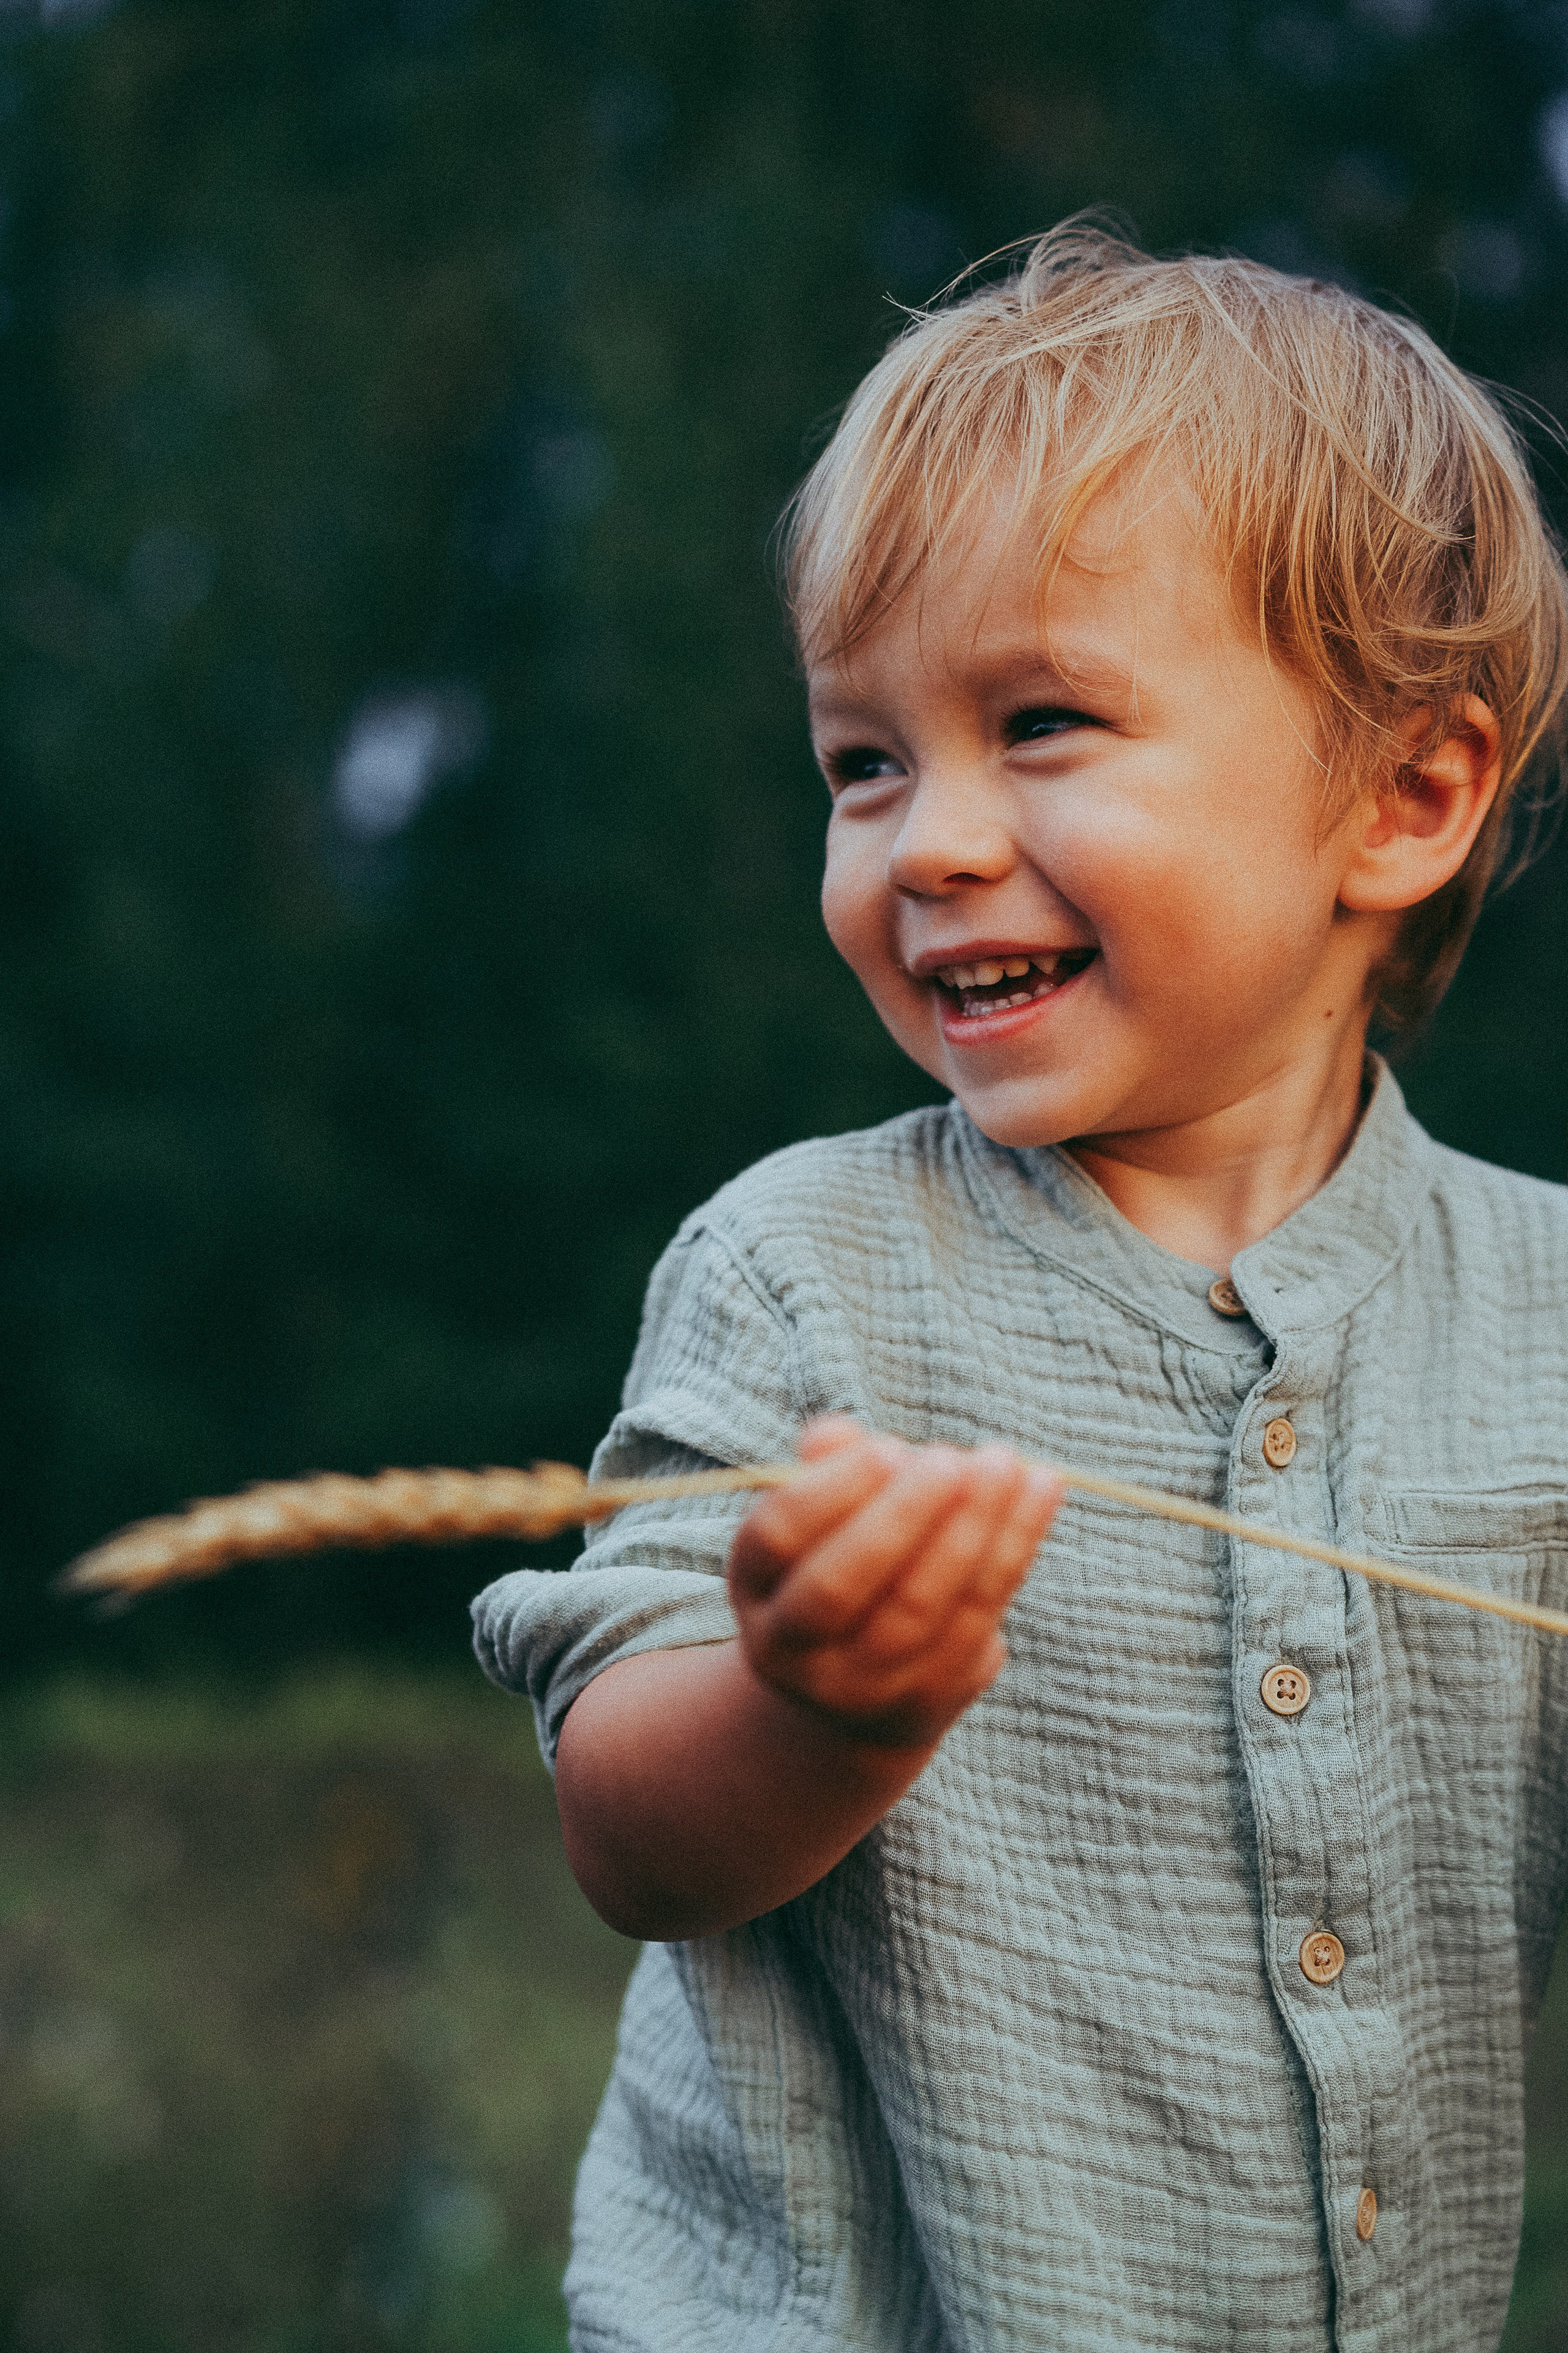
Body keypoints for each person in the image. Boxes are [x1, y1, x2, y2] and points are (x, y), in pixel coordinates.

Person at [473, 224, 1568, 2351]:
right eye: (861, 761)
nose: (929, 842)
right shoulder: (803, 1273)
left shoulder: (1549, 1313)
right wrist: (815, 1706)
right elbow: (629, 1823)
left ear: (1410, 794)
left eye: (1040, 722)